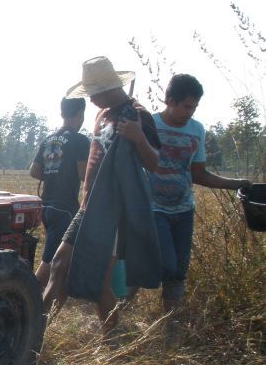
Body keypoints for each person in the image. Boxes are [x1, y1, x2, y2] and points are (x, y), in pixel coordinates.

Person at [43, 56, 162, 335]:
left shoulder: (138, 115)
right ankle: (35, 334)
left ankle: (111, 340)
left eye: (94, 94)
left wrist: (138, 138)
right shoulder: (103, 115)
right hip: (88, 207)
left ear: (109, 87)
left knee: (99, 282)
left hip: (113, 211)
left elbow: (155, 163)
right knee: (59, 265)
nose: (92, 101)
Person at [148, 73, 250, 313]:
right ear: (169, 100)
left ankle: (170, 321)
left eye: (194, 107)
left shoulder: (196, 130)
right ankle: (134, 288)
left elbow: (198, 174)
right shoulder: (150, 124)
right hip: (154, 208)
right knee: (168, 265)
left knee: (180, 269)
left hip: (184, 210)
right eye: (186, 106)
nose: (190, 112)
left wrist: (237, 183)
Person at [30, 97, 90, 287]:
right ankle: (30, 298)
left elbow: (34, 171)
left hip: (46, 206)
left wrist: (53, 173)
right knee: (49, 261)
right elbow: (83, 174)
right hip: (64, 208)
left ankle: (59, 290)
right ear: (81, 113)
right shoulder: (80, 140)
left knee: (57, 254)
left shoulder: (48, 139)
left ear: (62, 113)